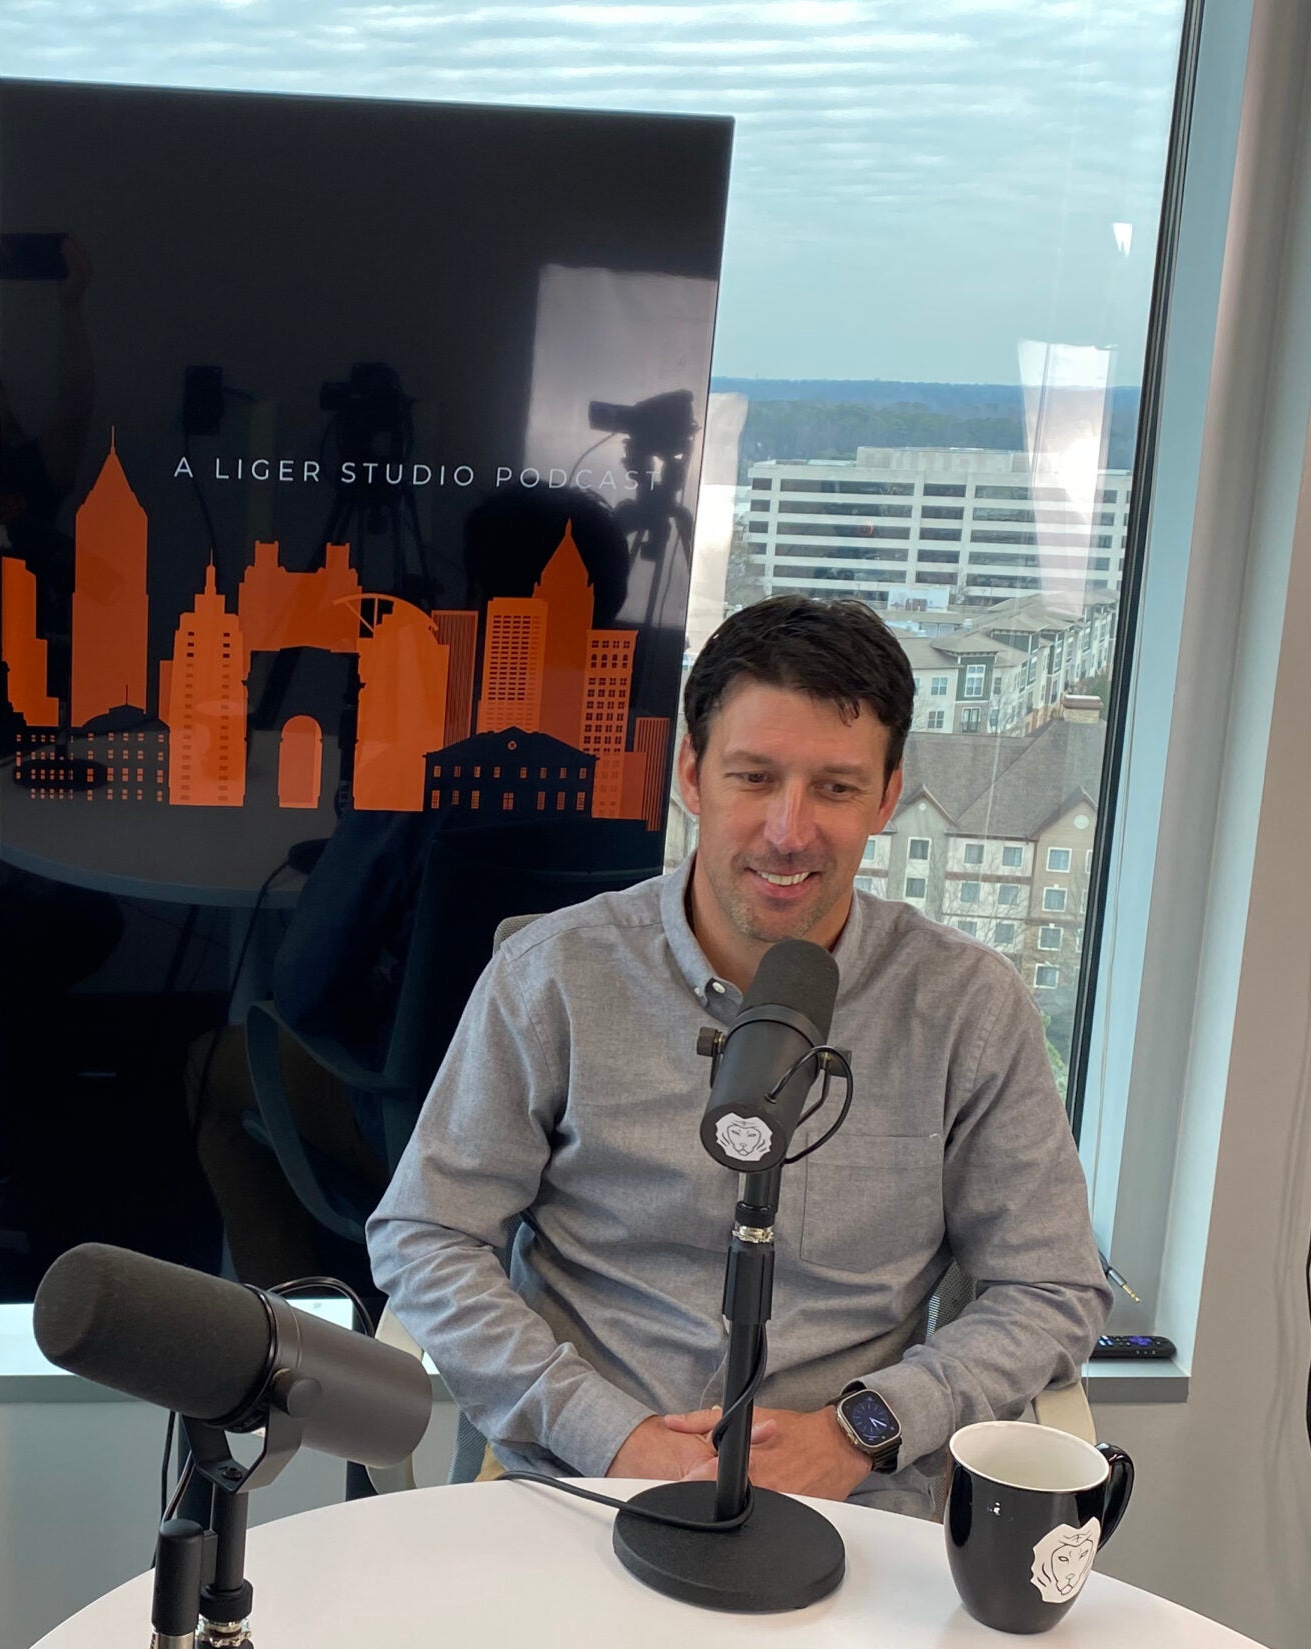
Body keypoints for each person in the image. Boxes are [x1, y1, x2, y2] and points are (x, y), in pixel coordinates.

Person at [368, 595, 1109, 1516]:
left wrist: (864, 1429)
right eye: (753, 778)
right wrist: (609, 1432)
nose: (789, 832)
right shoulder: (553, 974)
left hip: (848, 1503)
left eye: (835, 789)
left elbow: (1051, 1285)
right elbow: (426, 1235)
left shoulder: (966, 1006)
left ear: (887, 796)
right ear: (691, 773)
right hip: (579, 1486)